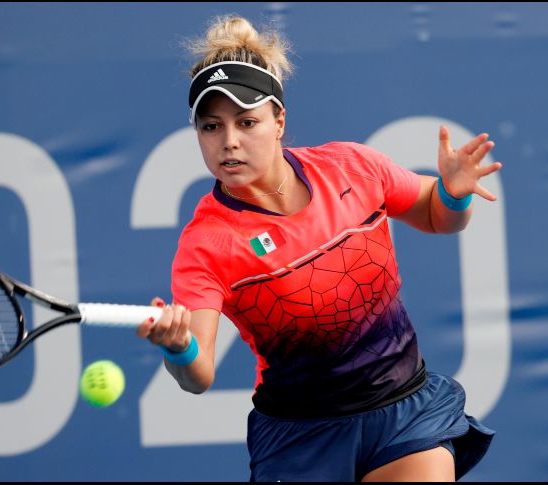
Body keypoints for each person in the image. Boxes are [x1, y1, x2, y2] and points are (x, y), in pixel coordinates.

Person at [137, 15, 498, 482]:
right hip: (300, 438)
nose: (229, 142)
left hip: (402, 410)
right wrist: (179, 347)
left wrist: (453, 192)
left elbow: (437, 216)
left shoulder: (352, 167)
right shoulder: (206, 244)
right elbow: (198, 375)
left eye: (247, 122)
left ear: (279, 121)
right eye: (211, 126)